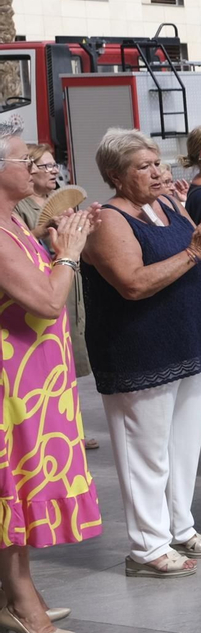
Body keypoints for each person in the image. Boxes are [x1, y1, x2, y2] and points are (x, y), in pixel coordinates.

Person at [82, 129, 201, 579]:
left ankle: (180, 525)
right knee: (146, 453)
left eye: (158, 162)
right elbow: (133, 283)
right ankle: (146, 547)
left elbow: (196, 268)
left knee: (183, 448)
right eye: (144, 166)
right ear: (116, 175)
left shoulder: (168, 205)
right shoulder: (108, 220)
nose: (158, 172)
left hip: (186, 338)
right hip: (139, 348)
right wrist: (198, 248)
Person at [0, 126, 101, 633]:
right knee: (9, 489)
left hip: (32, 378)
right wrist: (69, 254)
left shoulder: (12, 223)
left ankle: (14, 593)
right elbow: (44, 301)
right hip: (11, 384)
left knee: (16, 485)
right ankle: (21, 601)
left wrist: (53, 240)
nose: (37, 168)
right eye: (24, 160)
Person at [14, 144, 96, 430]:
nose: (52, 172)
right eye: (43, 166)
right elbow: (24, 247)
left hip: (64, 286)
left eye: (53, 166)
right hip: (40, 295)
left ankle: (68, 426)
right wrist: (55, 237)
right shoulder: (15, 212)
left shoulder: (59, 202)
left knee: (66, 360)